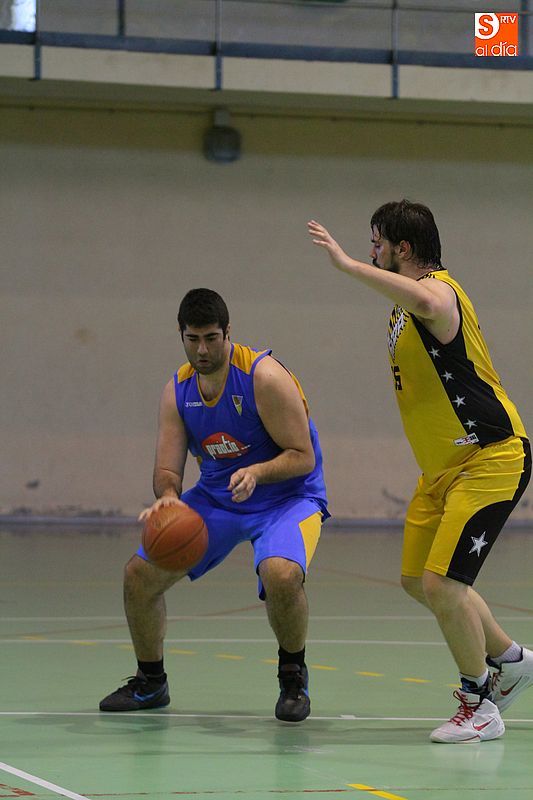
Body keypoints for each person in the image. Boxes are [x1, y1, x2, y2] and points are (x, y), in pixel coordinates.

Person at [308, 200, 531, 743]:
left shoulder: (439, 293)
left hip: (489, 457)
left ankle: (479, 704)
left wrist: (346, 266)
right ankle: (512, 661)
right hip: (440, 471)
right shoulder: (404, 306)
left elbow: (429, 300)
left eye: (376, 243)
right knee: (417, 580)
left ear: (402, 249)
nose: (371, 252)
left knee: (444, 584)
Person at [100, 288, 329, 722]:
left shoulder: (264, 377)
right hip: (218, 498)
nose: (202, 350)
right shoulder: (178, 390)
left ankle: (292, 677)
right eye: (193, 339)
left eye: (211, 338)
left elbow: (303, 457)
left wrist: (257, 472)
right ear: (181, 335)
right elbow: (167, 470)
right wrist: (169, 500)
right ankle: (151, 682)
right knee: (138, 575)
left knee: (280, 574)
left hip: (287, 497)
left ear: (228, 333)